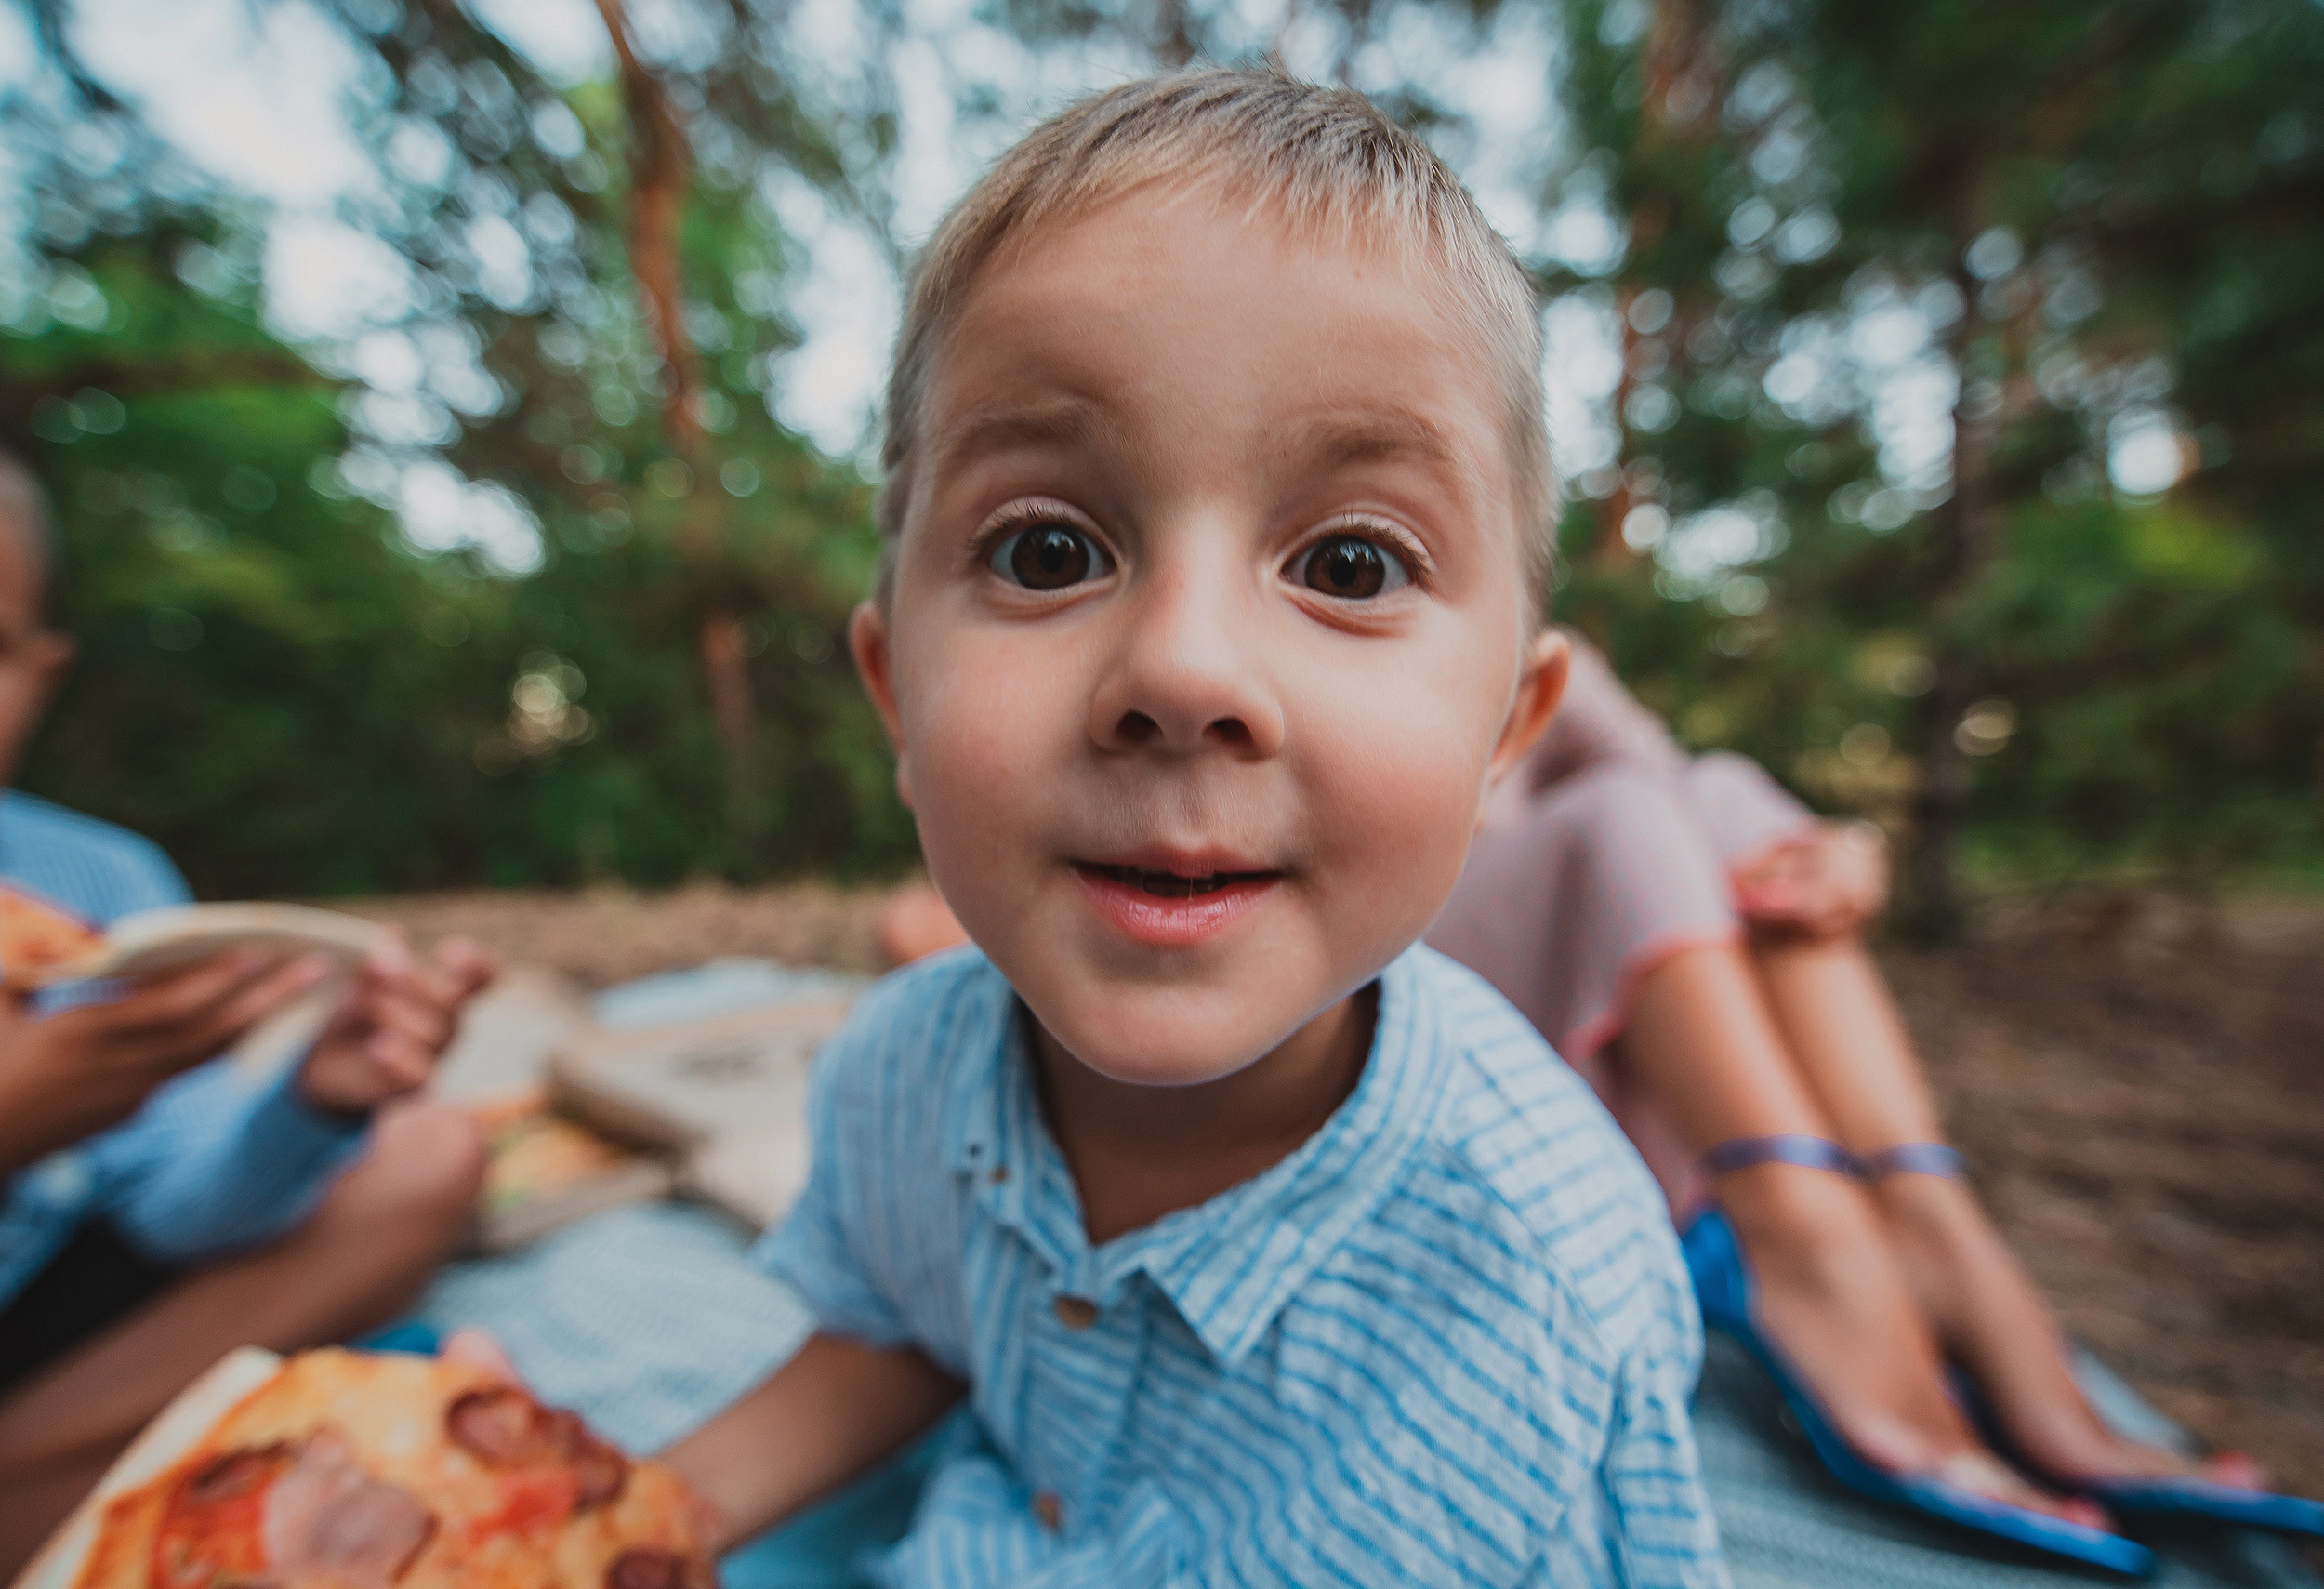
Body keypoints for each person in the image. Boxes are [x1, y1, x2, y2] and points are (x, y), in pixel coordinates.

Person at [648, 71, 1727, 1586]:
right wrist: (623, 1520)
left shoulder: (1543, 1295)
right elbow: (899, 1332)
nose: (1182, 671)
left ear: (1505, 733)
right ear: (895, 690)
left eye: (1351, 561)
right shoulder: (898, 1077)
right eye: (1047, 547)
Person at [1426, 632, 2282, 1533]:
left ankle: (1927, 1220)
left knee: (1723, 795)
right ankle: (1805, 1240)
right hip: (1434, 1022)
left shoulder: (1499, 594)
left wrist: (1835, 854)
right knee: (1617, 812)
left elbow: (1662, 773)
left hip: (1617, 1058)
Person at [0, 414, 496, 1585]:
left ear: (39, 676)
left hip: (53, 1325)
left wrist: (312, 1101)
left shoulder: (98, 884)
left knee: (431, 1151)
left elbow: (175, 1208)